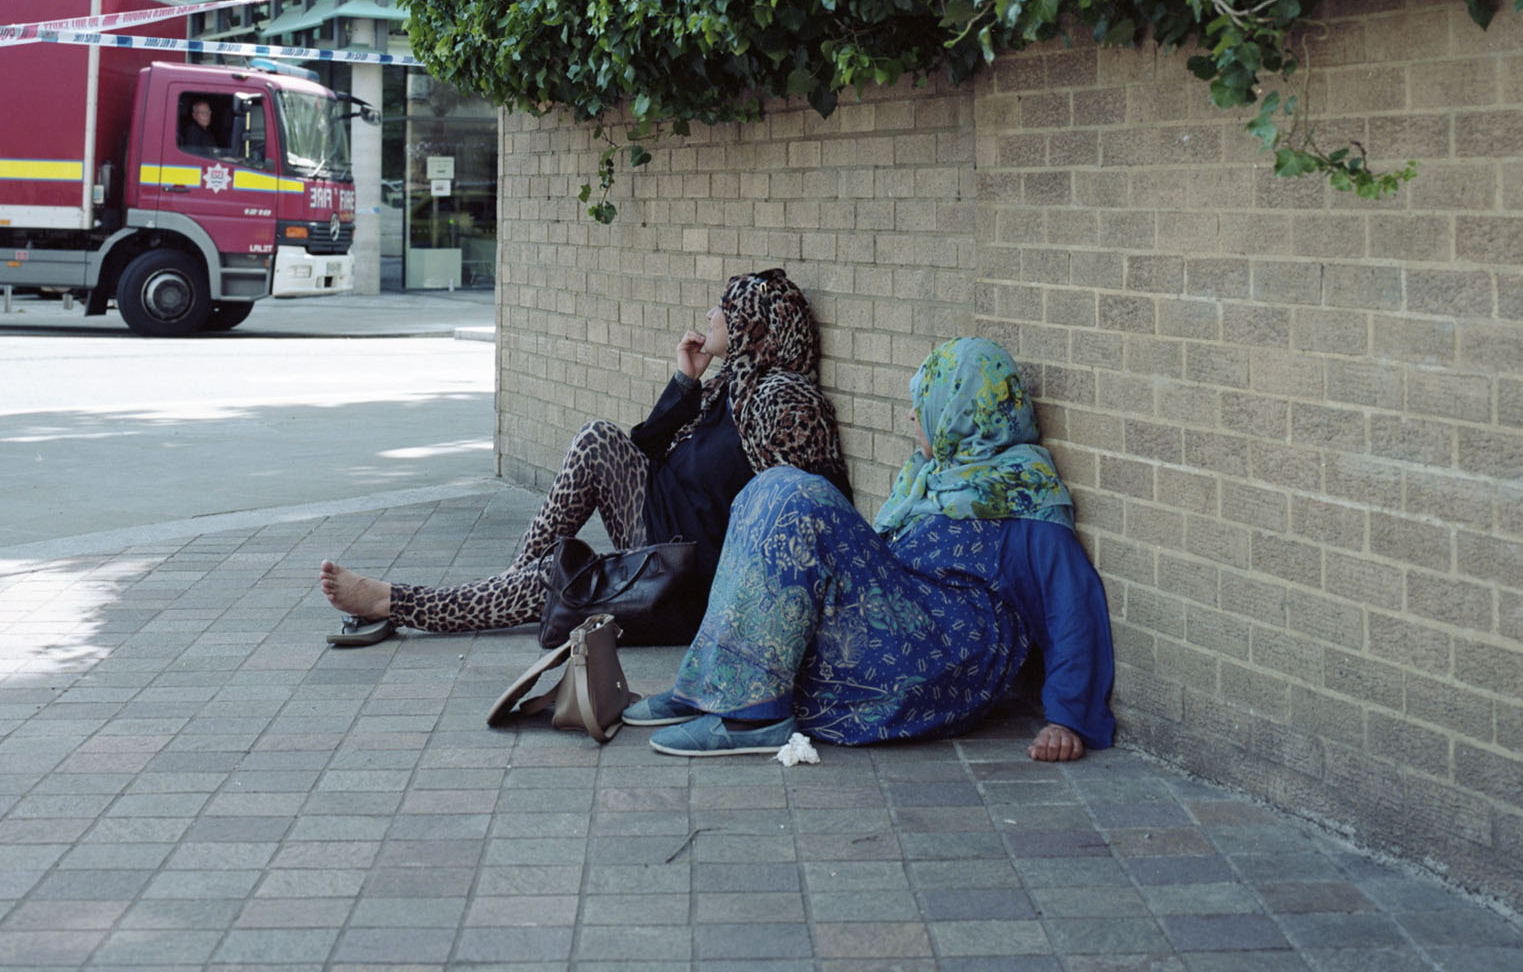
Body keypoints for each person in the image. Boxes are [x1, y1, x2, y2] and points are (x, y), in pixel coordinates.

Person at [623, 337, 1116, 761]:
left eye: (926, 399)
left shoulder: (1025, 501)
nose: (911, 413)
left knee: (800, 495)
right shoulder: (934, 479)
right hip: (900, 627)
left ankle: (751, 719)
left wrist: (1067, 720)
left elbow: (1072, 609)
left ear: (962, 411)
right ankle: (714, 685)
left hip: (937, 664)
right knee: (770, 486)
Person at [319, 268, 849, 644]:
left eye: (725, 307)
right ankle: (502, 589)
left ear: (753, 327)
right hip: (658, 522)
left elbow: (805, 514)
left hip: (685, 572)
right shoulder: (732, 384)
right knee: (597, 437)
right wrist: (684, 382)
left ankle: (393, 602)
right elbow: (643, 450)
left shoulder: (783, 403)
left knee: (556, 578)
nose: (711, 313)